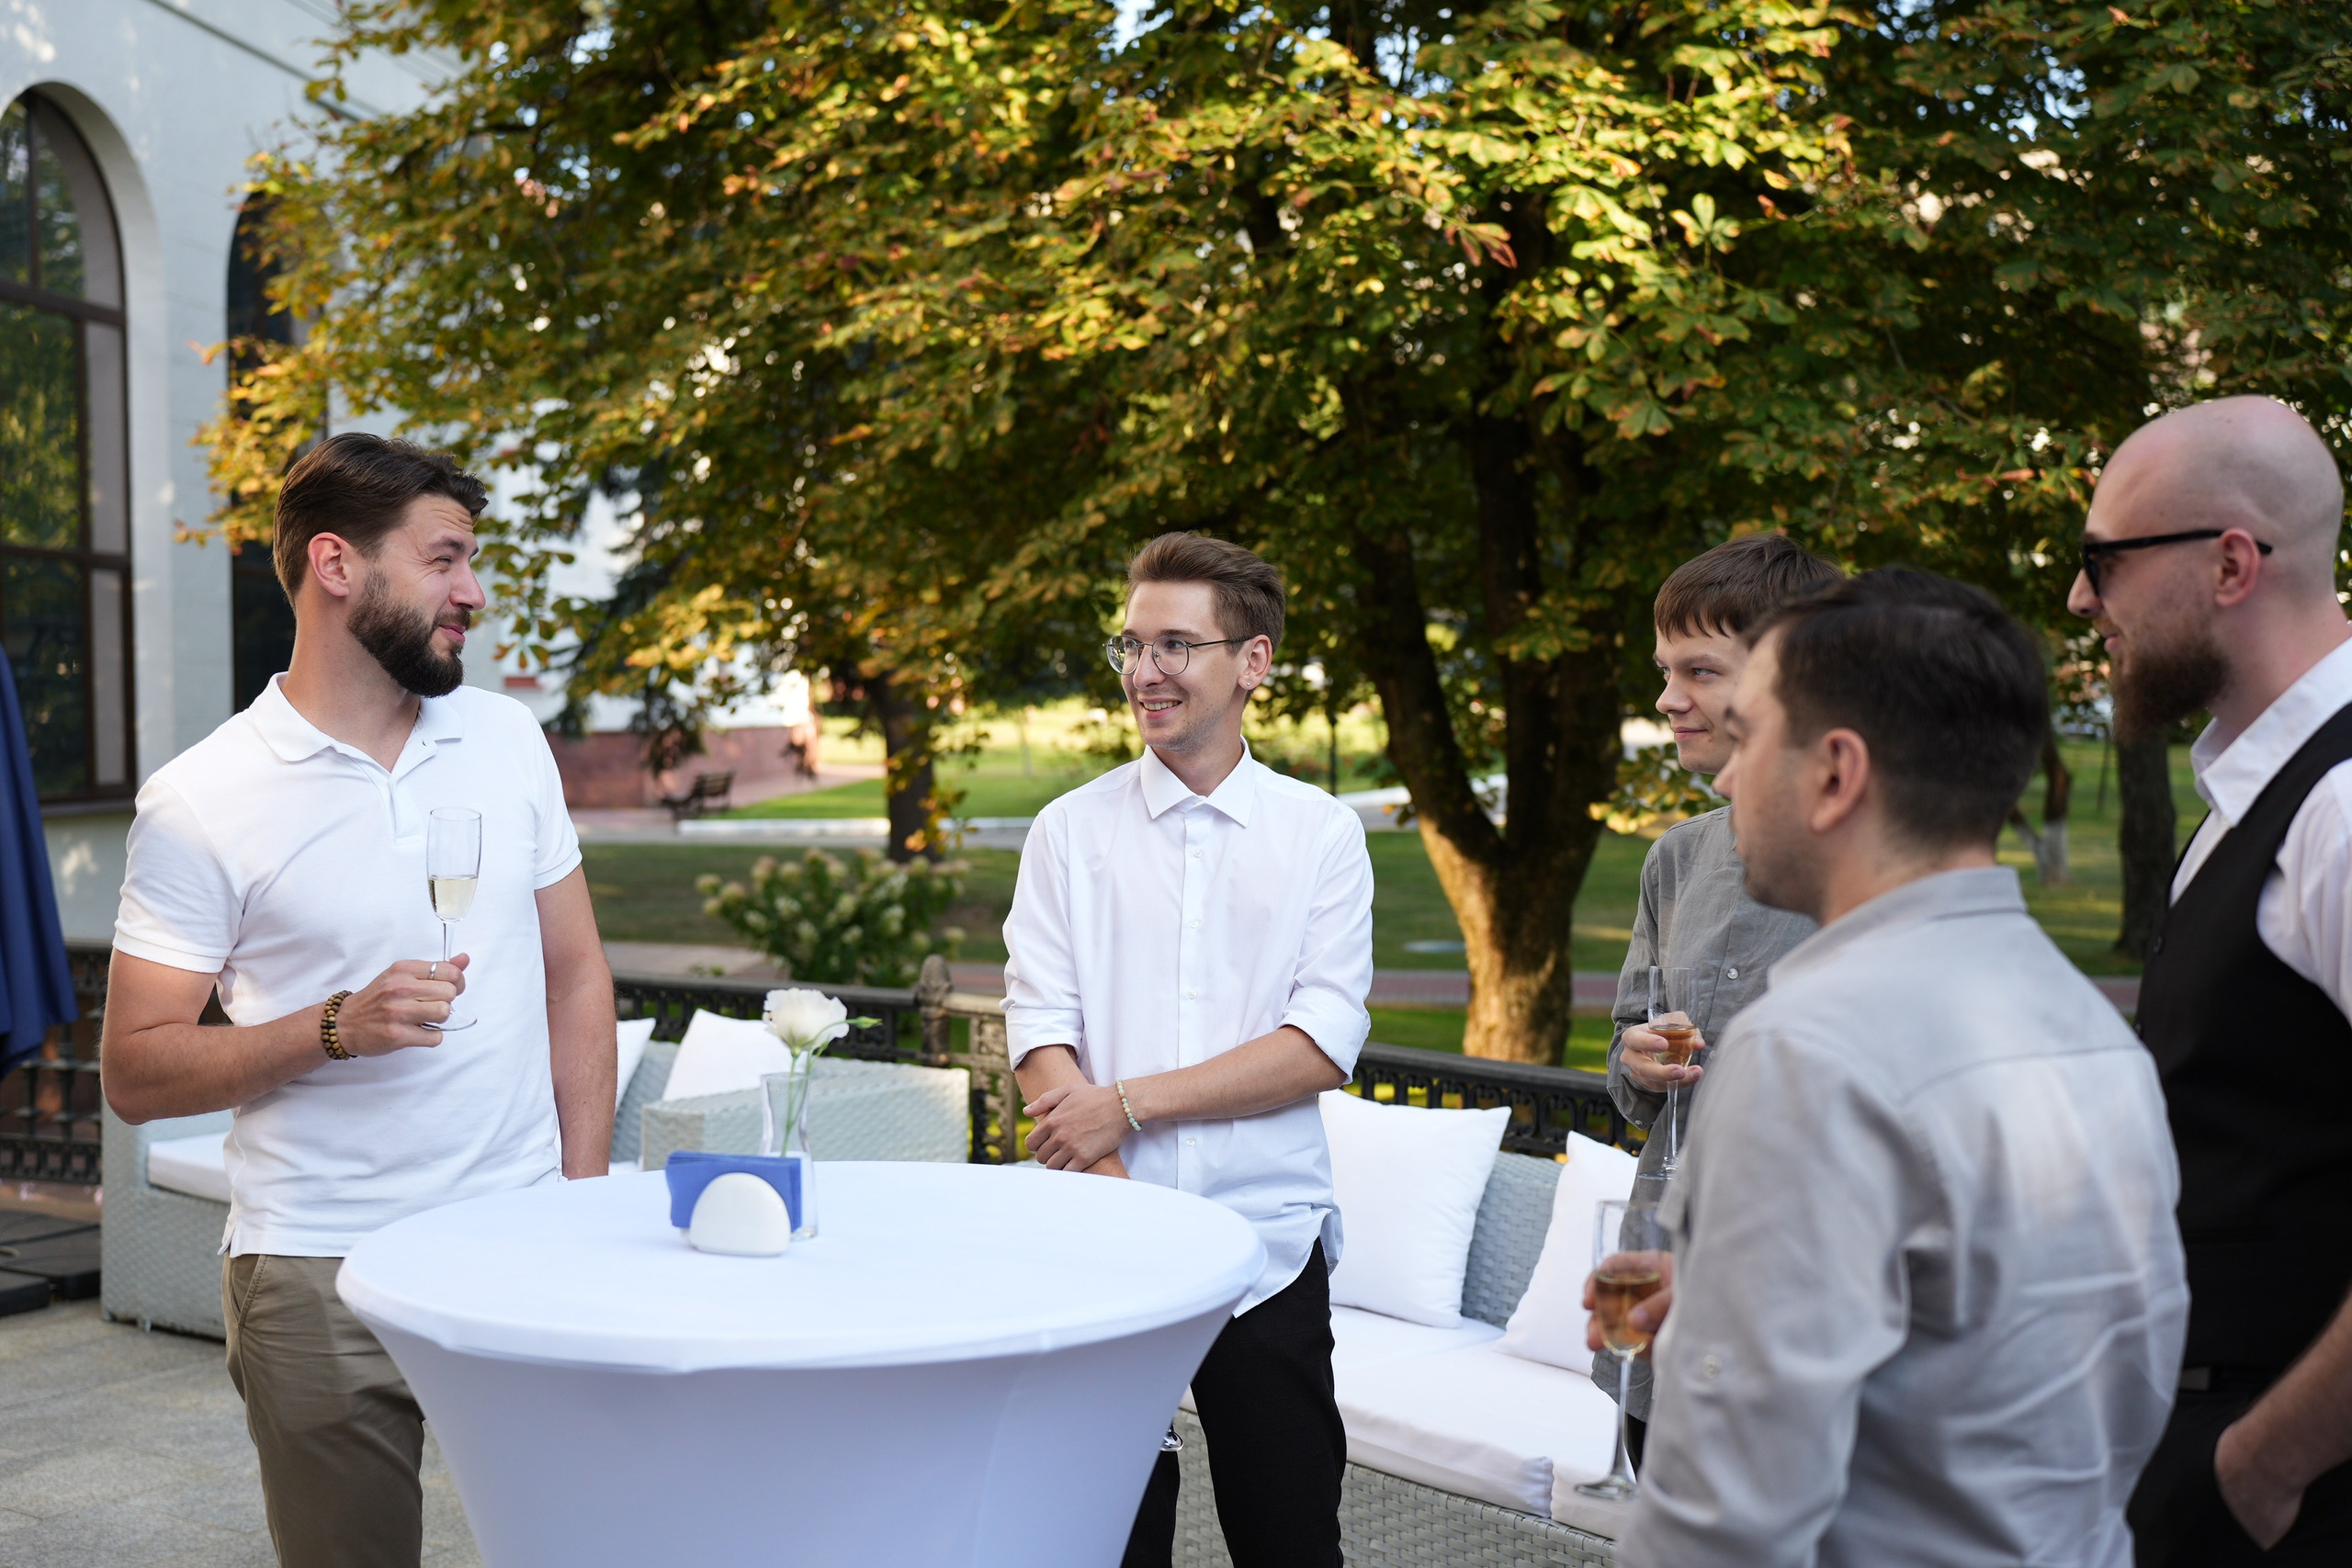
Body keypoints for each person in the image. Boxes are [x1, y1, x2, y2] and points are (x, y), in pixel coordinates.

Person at [101, 434, 617, 1568]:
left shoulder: (506, 738)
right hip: (315, 1271)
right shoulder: (202, 800)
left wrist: (580, 1200)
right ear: (337, 564)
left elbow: (576, 975)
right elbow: (135, 1069)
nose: (472, 593)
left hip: (522, 1237)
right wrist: (332, 1028)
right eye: (444, 560)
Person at [1608, 570, 2188, 1568]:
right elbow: (2112, 1377)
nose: (1728, 780)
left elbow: (1724, 1513)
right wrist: (1718, 1291)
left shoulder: (1808, 1051)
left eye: (1751, 736)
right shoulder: (2098, 1037)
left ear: (1835, 773)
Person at [1002, 532, 1373, 1568]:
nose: (1144, 671)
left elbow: (1319, 1045)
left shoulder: (1321, 834)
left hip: (1267, 1250)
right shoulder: (1067, 831)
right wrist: (1123, 1197)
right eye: (1131, 644)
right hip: (1104, 1243)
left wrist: (1125, 1103)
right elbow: (1038, 1027)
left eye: (1175, 645)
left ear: (1253, 662)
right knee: (1108, 1544)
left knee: (1290, 1542)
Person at [2068, 396, 2352, 1564]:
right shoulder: (2253, 795)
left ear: (2231, 564)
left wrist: (2261, 1467)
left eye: (2103, 562)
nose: (2079, 599)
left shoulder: (2340, 807)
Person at [1597, 532, 1840, 1462]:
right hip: (1655, 1286)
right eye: (1664, 670)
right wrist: (1636, 1060)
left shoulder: (1869, 868)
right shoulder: (1675, 857)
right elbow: (1628, 1075)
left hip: (1793, 1320)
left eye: (1698, 670)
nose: (1666, 698)